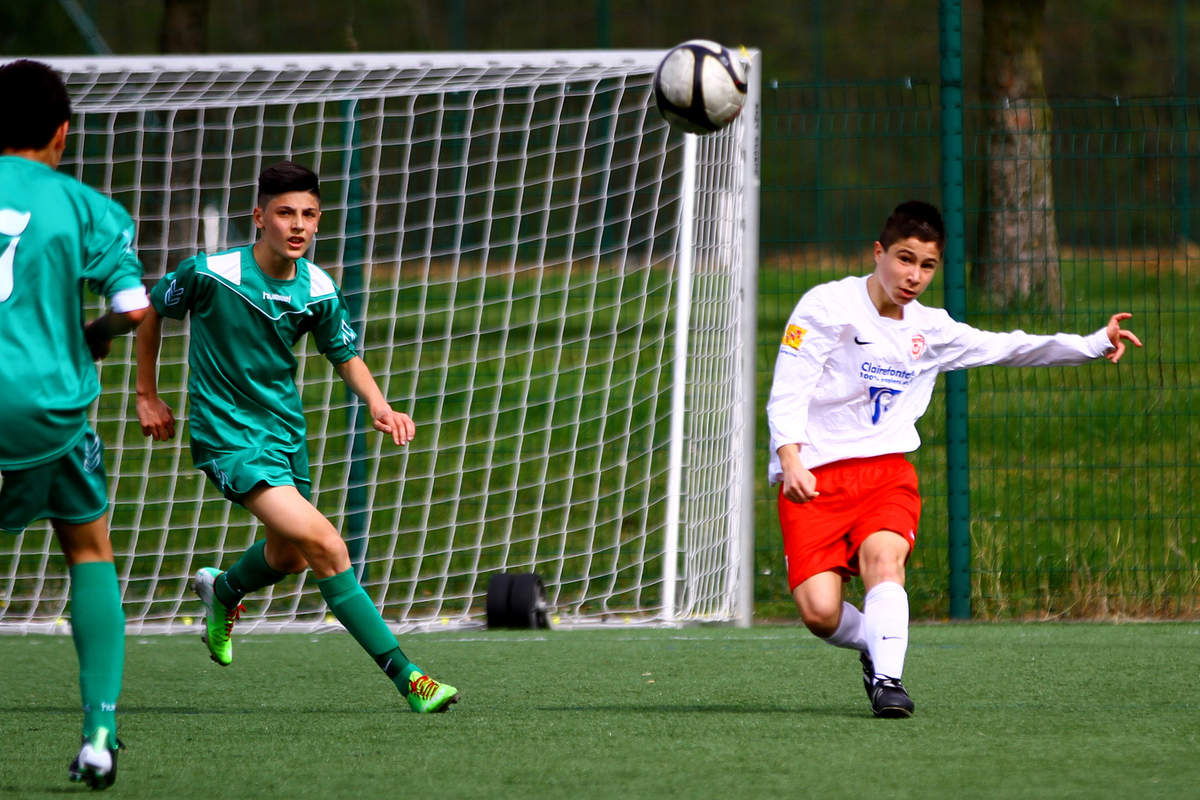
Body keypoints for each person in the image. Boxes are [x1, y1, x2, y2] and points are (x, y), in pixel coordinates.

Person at [767, 200, 1141, 718]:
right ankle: (875, 643)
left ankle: (888, 682)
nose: (914, 276)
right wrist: (790, 457)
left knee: (884, 562)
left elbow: (1009, 347)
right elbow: (789, 387)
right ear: (878, 253)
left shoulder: (932, 329)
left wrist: (1093, 344)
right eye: (904, 259)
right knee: (820, 613)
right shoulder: (826, 306)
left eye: (927, 266)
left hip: (885, 474)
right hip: (814, 475)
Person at [135, 161, 459, 713]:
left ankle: (224, 591)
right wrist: (147, 393)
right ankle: (411, 679)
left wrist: (379, 403)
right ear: (259, 217)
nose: (298, 225)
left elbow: (344, 353)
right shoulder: (211, 273)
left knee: (288, 557)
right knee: (328, 546)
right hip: (228, 438)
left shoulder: (319, 287)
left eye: (309, 214)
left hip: (284, 435)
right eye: (285, 213)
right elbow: (150, 310)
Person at [0, 59, 150, 789]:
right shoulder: (85, 205)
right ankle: (99, 734)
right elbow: (133, 307)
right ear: (62, 132)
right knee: (89, 551)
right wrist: (95, 334)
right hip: (47, 412)